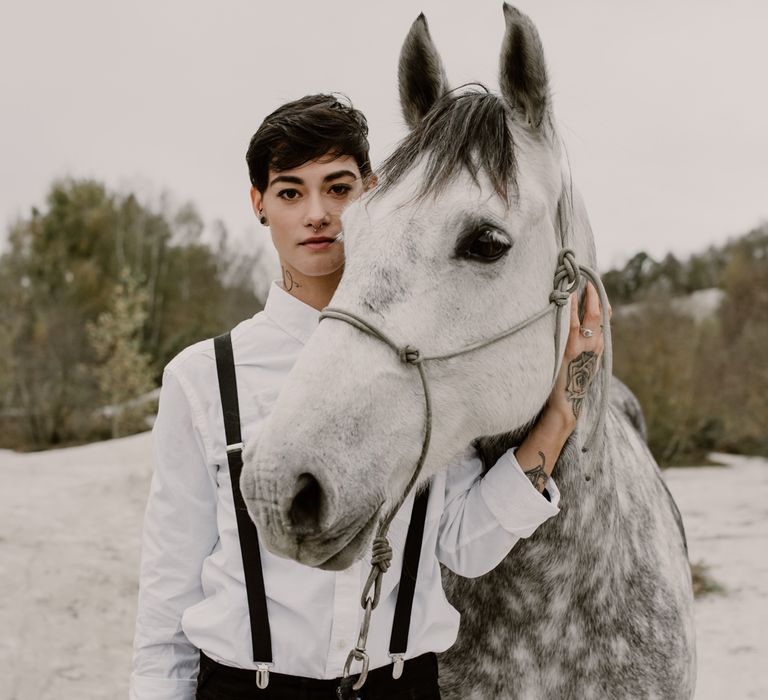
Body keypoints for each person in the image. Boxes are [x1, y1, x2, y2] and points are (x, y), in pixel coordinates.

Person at [130, 94, 608, 700]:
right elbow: (170, 584)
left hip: (399, 685)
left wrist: (561, 415)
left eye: (338, 187)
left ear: (374, 192)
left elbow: (464, 544)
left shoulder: (426, 363)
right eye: (289, 192)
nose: (317, 214)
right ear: (259, 205)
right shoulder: (202, 377)